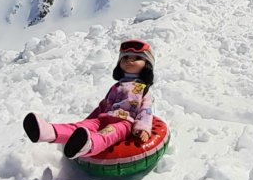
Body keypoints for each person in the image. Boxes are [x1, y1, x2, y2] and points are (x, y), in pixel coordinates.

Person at [23, 39, 155, 159]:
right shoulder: (117, 86)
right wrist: (90, 121)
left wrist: (142, 128)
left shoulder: (143, 90)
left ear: (147, 64)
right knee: (78, 127)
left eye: (137, 58)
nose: (129, 61)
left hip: (124, 123)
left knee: (108, 133)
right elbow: (104, 105)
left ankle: (88, 145)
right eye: (125, 57)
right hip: (102, 117)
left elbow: (146, 111)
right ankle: (48, 132)